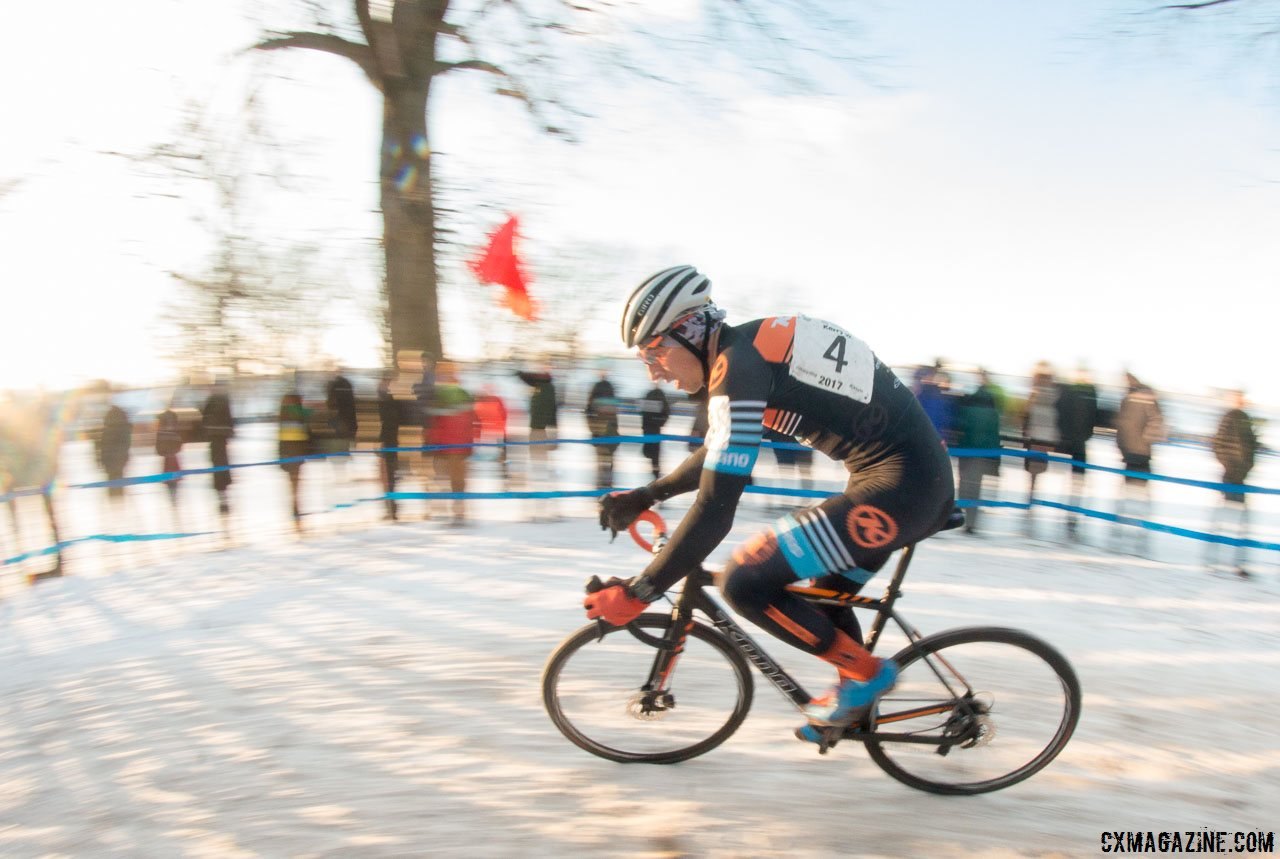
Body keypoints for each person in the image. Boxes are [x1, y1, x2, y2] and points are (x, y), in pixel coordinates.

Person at [587, 265, 955, 743]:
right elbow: (718, 453)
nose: (652, 368)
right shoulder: (749, 354)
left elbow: (717, 507)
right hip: (902, 483)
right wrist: (646, 495)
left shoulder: (738, 369)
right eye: (643, 358)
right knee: (823, 594)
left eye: (655, 351)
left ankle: (868, 673)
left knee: (744, 580)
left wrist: (641, 592)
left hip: (902, 490)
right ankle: (853, 696)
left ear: (691, 331)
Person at [1205, 389, 1258, 577]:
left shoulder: (1245, 418)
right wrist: (1229, 465)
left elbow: (1252, 446)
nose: (1243, 401)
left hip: (1241, 477)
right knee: (1228, 517)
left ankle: (1236, 562)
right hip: (1230, 476)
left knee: (1240, 520)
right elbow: (1217, 444)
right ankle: (1219, 561)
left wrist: (1247, 466)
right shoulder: (1228, 418)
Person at [1113, 372, 1165, 554]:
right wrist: (1143, 443)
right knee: (1139, 493)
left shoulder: (1135, 398)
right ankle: (1136, 526)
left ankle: (1128, 526)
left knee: (1132, 492)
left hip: (1134, 453)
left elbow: (1155, 423)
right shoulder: (1136, 398)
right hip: (1139, 452)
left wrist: (1131, 445)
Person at [426, 362, 478, 525]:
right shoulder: (464, 393)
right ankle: (458, 512)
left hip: (444, 445)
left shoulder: (438, 394)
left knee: (443, 479)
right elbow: (474, 421)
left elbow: (434, 422)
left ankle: (447, 512)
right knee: (458, 481)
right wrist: (471, 442)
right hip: (460, 445)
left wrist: (431, 442)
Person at [954, 371, 1003, 534]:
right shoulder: (993, 414)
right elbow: (994, 436)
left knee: (963, 484)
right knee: (976, 487)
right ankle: (971, 524)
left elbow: (960, 428)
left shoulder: (967, 409)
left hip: (966, 452)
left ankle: (961, 517)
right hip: (982, 454)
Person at [1055, 365, 1099, 539]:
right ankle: (1070, 516)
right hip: (1074, 442)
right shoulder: (1087, 392)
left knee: (1075, 482)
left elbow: (1061, 412)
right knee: (1075, 482)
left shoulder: (1080, 392)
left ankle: (1070, 516)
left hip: (1074, 442)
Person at [1021, 362, 1059, 536]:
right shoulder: (1054, 396)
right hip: (1046, 437)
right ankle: (1033, 495)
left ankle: (1031, 494)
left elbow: (1026, 416)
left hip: (1035, 435)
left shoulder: (1035, 395)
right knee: (1038, 468)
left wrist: (1025, 433)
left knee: (1033, 469)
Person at [516, 362, 560, 508]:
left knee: (541, 462)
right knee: (538, 462)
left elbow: (552, 412)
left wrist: (553, 434)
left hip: (542, 430)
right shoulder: (539, 386)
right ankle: (541, 487)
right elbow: (527, 378)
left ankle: (544, 489)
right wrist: (520, 373)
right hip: (537, 429)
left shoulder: (546, 387)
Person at [278, 390, 312, 532]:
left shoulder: (283, 414)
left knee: (293, 484)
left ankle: (295, 508)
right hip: (297, 453)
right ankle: (296, 509)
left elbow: (280, 437)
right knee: (296, 484)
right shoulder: (299, 412)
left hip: (288, 453)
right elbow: (307, 431)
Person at [200, 381, 235, 516]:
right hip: (220, 442)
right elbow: (229, 422)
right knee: (221, 470)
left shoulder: (213, 401)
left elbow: (204, 422)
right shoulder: (222, 401)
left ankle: (222, 498)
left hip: (216, 442)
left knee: (219, 470)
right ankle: (223, 498)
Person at [585, 368, 621, 490]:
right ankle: (607, 488)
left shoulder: (597, 390)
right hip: (609, 431)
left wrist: (593, 430)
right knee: (608, 462)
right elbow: (614, 414)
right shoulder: (609, 389)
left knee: (602, 462)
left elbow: (588, 411)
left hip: (601, 431)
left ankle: (602, 489)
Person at [377, 370, 402, 521]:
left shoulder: (389, 402)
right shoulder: (386, 400)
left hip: (389, 443)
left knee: (389, 476)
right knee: (387, 477)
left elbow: (389, 424)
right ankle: (390, 509)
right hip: (388, 443)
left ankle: (392, 510)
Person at [473, 385, 510, 483]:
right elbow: (504, 414)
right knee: (502, 452)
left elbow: (475, 420)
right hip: (499, 432)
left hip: (486, 433)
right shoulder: (497, 400)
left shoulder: (477, 403)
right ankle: (503, 470)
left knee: (486, 455)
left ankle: (494, 471)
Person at [96, 402, 132, 501]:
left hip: (109, 459)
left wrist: (100, 459)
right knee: (119, 479)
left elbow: (103, 444)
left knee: (112, 481)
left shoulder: (108, 427)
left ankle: (114, 500)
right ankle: (119, 499)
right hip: (120, 458)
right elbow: (126, 443)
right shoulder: (123, 426)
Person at [639, 383, 671, 482]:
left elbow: (643, 412)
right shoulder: (660, 395)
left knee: (651, 451)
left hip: (649, 427)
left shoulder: (649, 394)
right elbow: (666, 412)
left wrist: (646, 423)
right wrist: (660, 422)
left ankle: (655, 472)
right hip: (655, 428)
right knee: (655, 453)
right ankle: (656, 473)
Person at [155, 404, 184, 507]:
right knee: (174, 477)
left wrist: (159, 450)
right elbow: (179, 439)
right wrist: (177, 448)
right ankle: (174, 496)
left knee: (168, 477)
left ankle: (172, 496)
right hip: (173, 454)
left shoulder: (161, 425)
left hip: (167, 455)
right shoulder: (174, 425)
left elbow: (158, 439)